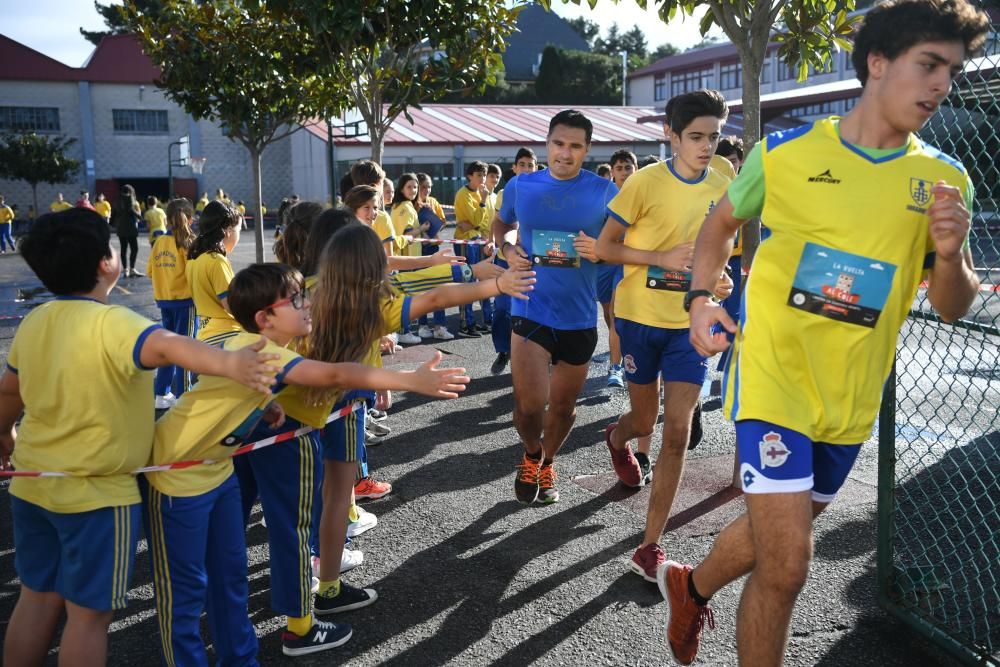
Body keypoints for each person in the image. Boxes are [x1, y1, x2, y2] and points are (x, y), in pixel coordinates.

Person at [664, 3, 989, 665]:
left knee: (767, 540)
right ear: (877, 63)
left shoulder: (944, 178)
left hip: (850, 402)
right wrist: (701, 298)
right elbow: (719, 226)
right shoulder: (785, 153)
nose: (941, 86)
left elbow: (955, 306)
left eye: (951, 72)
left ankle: (689, 584)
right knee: (787, 566)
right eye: (928, 64)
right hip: (775, 378)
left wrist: (951, 256)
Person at [144, 261, 471, 661]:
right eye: (296, 298)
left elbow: (219, 392)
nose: (308, 303)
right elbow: (333, 376)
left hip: (210, 474)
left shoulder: (254, 348)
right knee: (185, 592)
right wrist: (410, 381)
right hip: (174, 480)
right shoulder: (265, 352)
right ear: (265, 319)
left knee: (223, 579)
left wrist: (263, 408)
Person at [0, 207, 280, 667]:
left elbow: (9, 390)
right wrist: (231, 363)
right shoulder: (117, 324)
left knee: (37, 597)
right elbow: (172, 345)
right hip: (97, 497)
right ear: (106, 264)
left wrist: (4, 432)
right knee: (88, 616)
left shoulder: (35, 322)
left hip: (32, 488)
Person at [305, 223, 533, 621]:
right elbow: (435, 296)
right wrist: (496, 287)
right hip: (341, 414)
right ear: (373, 267)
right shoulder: (373, 306)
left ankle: (303, 574)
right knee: (338, 500)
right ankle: (327, 587)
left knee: (308, 499)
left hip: (298, 415)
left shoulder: (305, 293)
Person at [596, 90, 734, 584]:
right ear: (670, 136)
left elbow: (721, 247)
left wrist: (720, 279)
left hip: (689, 326)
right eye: (695, 136)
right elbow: (606, 248)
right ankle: (617, 437)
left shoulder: (725, 180)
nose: (706, 146)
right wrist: (660, 259)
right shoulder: (643, 182)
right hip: (637, 318)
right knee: (643, 417)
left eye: (713, 136)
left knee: (677, 430)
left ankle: (649, 546)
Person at [492, 109, 618, 504]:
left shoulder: (604, 191)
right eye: (558, 143)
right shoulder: (521, 185)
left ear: (587, 149)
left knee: (562, 409)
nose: (565, 153)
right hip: (530, 306)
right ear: (547, 143)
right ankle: (531, 453)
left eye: (575, 146)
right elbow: (500, 224)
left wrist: (600, 251)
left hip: (579, 316)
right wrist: (508, 248)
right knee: (530, 407)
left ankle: (548, 461)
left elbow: (620, 245)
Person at [489, 148, 538, 375]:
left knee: (532, 309)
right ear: (515, 168)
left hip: (533, 261)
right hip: (504, 260)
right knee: (501, 310)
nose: (527, 169)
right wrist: (500, 244)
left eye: (531, 164)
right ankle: (503, 350)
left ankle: (536, 356)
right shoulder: (505, 193)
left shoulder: (543, 191)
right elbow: (500, 223)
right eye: (523, 164)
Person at [148, 198, 198, 408]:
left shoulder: (159, 241)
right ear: (191, 219)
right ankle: (183, 395)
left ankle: (161, 393)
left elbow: (151, 271)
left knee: (168, 347)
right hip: (184, 302)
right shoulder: (188, 243)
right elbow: (194, 274)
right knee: (185, 349)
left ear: (167, 219)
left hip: (164, 301)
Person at [601, 148, 638, 388]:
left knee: (619, 318)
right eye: (619, 168)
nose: (624, 172)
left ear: (636, 170)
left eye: (628, 167)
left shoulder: (645, 192)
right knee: (609, 316)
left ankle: (617, 367)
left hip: (633, 265)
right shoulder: (605, 196)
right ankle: (619, 357)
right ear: (612, 172)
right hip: (605, 264)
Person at [187, 200, 242, 344]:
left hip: (205, 333)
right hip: (225, 334)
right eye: (239, 230)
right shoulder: (217, 261)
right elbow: (231, 305)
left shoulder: (194, 259)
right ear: (229, 230)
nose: (239, 236)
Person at [454, 161, 495, 338]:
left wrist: (476, 226)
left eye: (484, 175)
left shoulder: (482, 193)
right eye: (479, 175)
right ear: (470, 176)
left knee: (483, 280)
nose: (483, 179)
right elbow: (477, 220)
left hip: (480, 240)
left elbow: (482, 222)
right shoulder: (464, 194)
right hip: (465, 242)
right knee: (467, 280)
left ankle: (487, 320)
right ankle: (466, 324)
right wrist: (483, 203)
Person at [414, 173, 454, 340]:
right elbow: (408, 230)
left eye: (429, 186)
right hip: (419, 251)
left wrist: (435, 232)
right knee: (422, 288)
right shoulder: (411, 206)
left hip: (433, 249)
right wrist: (423, 233)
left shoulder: (434, 202)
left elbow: (442, 222)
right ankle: (422, 325)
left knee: (439, 285)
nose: (427, 190)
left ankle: (439, 326)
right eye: (423, 187)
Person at [110, 184, 143, 277]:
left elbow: (113, 213)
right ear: (130, 191)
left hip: (120, 227)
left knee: (123, 248)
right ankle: (132, 268)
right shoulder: (130, 197)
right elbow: (130, 209)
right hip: (130, 226)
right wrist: (139, 215)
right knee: (134, 248)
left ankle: (125, 270)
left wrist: (111, 224)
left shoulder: (117, 200)